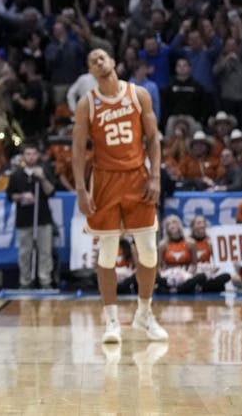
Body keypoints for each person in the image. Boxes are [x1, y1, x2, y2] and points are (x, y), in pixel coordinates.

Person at [71, 48, 168, 344]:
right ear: (91, 72)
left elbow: (152, 138)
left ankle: (144, 313)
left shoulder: (138, 95)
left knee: (149, 250)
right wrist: (80, 188)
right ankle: (111, 320)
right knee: (108, 252)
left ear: (113, 62)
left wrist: (155, 176)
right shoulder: (87, 104)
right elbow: (77, 149)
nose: (98, 63)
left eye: (101, 58)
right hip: (105, 180)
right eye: (92, 61)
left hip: (138, 175)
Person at [6, 143, 55, 288]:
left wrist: (42, 178)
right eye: (28, 154)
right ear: (23, 157)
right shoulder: (16, 175)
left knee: (45, 252)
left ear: (38, 156)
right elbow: (9, 196)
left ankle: (45, 281)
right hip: (24, 220)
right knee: (24, 253)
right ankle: (25, 281)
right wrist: (22, 197)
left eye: (34, 154)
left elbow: (51, 192)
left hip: (43, 218)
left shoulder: (45, 171)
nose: (31, 157)